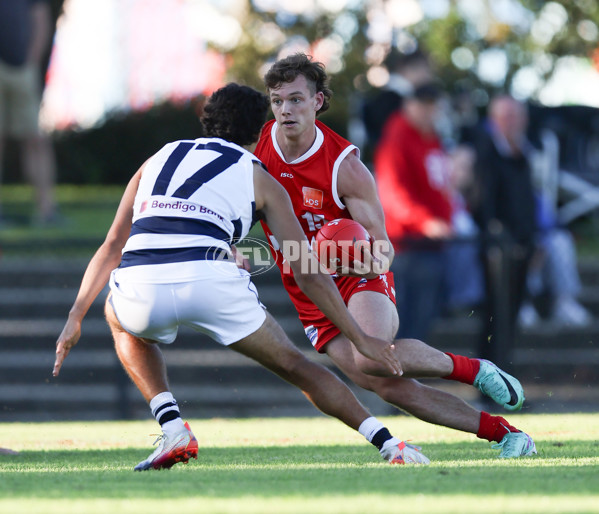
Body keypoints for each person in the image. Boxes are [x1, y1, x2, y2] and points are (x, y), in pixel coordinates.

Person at [53, 83, 430, 471]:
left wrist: (74, 316)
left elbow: (113, 244)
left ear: (206, 119)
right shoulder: (262, 178)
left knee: (120, 320)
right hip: (212, 282)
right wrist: (359, 337)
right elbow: (307, 270)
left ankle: (172, 427)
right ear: (259, 130)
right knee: (296, 367)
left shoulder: (157, 158)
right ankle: (388, 444)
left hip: (140, 283)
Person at [254, 53, 536, 459]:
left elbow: (383, 251)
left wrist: (349, 259)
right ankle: (507, 434)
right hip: (306, 286)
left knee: (370, 360)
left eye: (296, 99)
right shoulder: (259, 149)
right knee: (387, 384)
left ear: (318, 101)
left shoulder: (345, 168)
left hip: (357, 274)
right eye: (277, 101)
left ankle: (473, 370)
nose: (285, 110)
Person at [374, 81, 453, 340]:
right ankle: (393, 377)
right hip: (406, 244)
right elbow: (392, 193)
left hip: (430, 245)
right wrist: (425, 223)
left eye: (433, 107)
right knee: (404, 323)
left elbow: (439, 186)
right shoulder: (397, 138)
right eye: (424, 106)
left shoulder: (432, 139)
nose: (429, 113)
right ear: (410, 106)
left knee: (421, 322)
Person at [0, 0, 57, 225]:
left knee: (35, 140)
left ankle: (47, 210)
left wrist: (32, 60)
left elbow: (41, 19)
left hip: (23, 67)